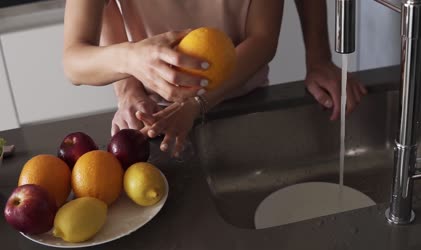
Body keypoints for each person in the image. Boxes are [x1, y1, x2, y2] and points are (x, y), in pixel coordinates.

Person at [63, 0, 365, 157]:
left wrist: (197, 102)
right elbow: (75, 59)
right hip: (151, 113)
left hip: (244, 102)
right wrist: (129, 81)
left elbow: (261, 40)